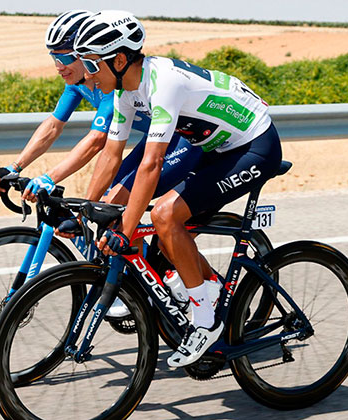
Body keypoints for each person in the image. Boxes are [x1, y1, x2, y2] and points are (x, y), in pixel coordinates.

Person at [73, 10, 283, 367]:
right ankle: (208, 287)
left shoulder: (163, 82)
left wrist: (124, 230)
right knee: (148, 218)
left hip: (254, 145)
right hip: (213, 147)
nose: (87, 77)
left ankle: (207, 316)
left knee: (164, 214)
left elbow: (151, 165)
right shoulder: (127, 92)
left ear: (120, 59)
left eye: (92, 66)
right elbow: (111, 156)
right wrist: (87, 210)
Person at [0, 10, 200, 317]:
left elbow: (97, 142)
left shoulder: (106, 83)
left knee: (115, 203)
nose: (58, 66)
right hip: (150, 140)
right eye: (52, 57)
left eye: (64, 57)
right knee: (107, 207)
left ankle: (152, 287)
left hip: (176, 141)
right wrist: (16, 167)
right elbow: (53, 126)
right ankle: (136, 281)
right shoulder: (76, 83)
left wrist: (49, 177)